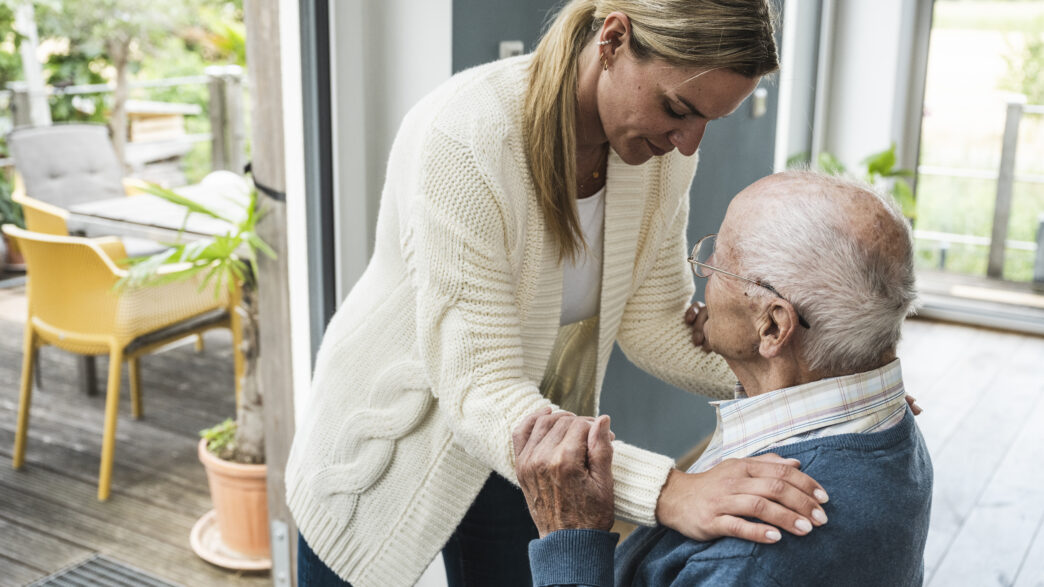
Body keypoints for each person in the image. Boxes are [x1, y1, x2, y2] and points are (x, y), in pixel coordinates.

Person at [286, 2, 833, 586]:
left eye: (707, 122)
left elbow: (655, 324)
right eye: (678, 109)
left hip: (533, 439)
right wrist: (670, 492)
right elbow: (480, 385)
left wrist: (818, 379)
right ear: (615, 39)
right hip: (393, 439)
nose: (688, 144)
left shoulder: (657, 157)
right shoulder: (467, 137)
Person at [515, 170, 934, 586]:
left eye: (721, 260)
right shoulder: (892, 426)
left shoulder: (748, 556)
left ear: (772, 327)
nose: (703, 267)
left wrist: (570, 542)